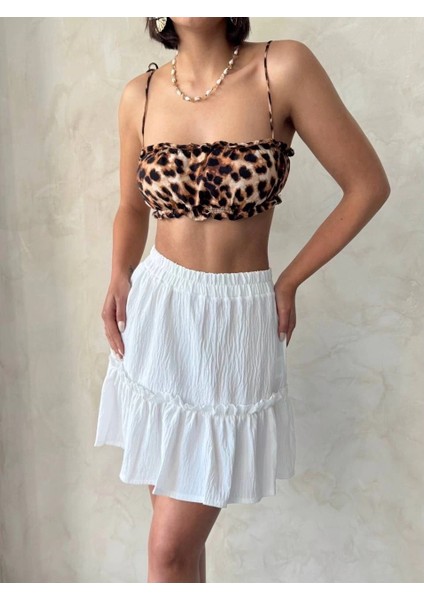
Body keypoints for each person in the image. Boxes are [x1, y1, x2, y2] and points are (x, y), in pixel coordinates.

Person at [94, 17, 390, 583]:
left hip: (235, 320)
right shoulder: (140, 94)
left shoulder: (284, 67)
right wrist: (118, 273)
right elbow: (131, 207)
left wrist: (290, 281)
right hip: (157, 313)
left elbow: (367, 185)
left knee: (169, 550)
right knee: (179, 546)